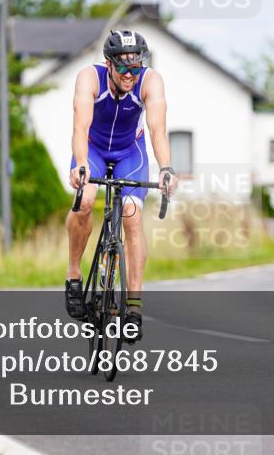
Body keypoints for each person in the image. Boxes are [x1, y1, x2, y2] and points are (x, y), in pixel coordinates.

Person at [64, 29, 178, 343]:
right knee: (85, 201)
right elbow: (80, 125)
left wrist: (166, 169)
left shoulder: (150, 81)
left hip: (131, 152)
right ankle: (74, 273)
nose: (130, 74)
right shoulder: (89, 78)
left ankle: (134, 306)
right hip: (94, 151)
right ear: (108, 64)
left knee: (132, 215)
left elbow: (157, 130)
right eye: (123, 67)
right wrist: (81, 163)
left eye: (136, 66)